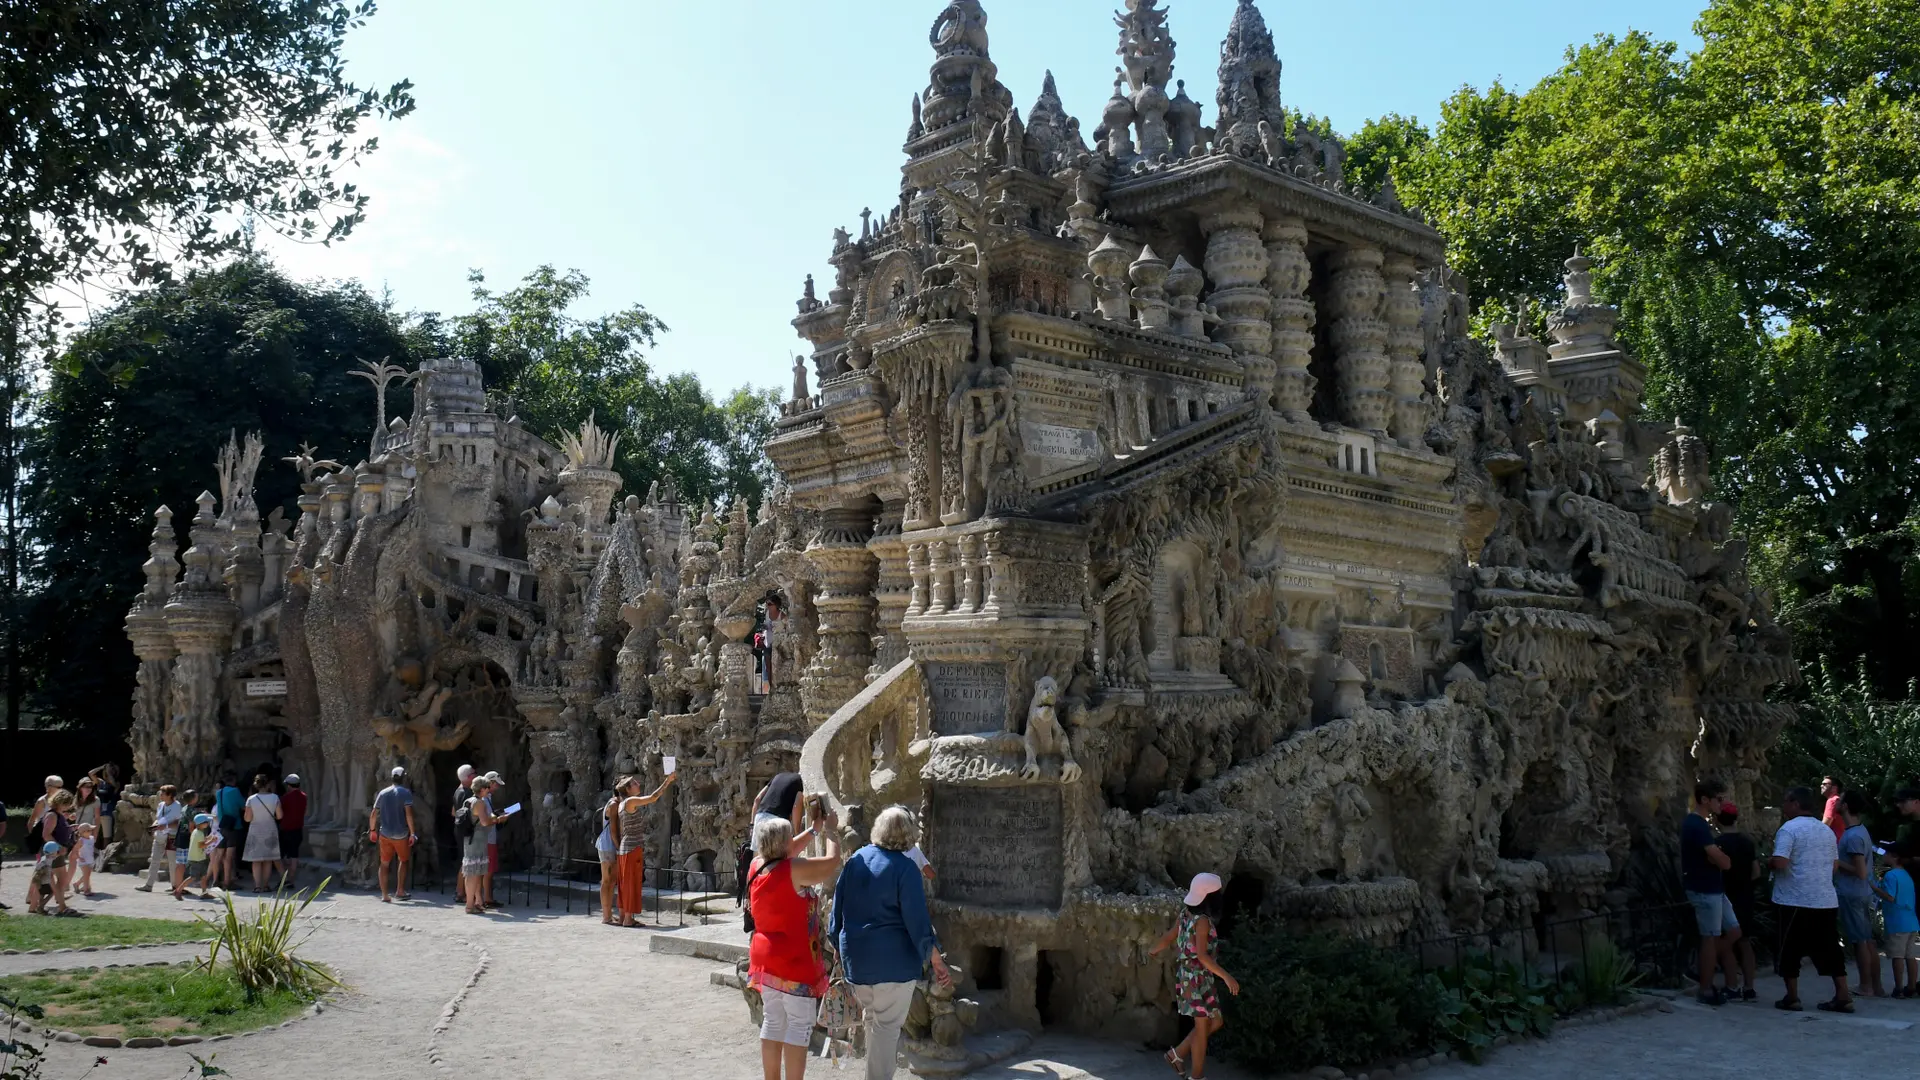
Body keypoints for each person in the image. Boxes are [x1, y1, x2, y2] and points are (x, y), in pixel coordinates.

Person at [830, 806, 952, 1080]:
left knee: (874, 1019)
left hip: (857, 964)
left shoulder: (855, 861)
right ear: (908, 834)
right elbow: (917, 922)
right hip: (892, 965)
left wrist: (838, 949)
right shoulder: (905, 868)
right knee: (886, 1027)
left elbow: (835, 914)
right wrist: (936, 958)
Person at [747, 807, 843, 1080]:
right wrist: (832, 831)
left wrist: (814, 829)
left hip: (765, 957)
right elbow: (830, 862)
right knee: (799, 1026)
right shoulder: (793, 870)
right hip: (793, 958)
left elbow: (786, 849)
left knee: (773, 1020)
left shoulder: (757, 864)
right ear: (783, 843)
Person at [1770, 785, 1853, 1013]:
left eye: (1786, 801)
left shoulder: (1789, 829)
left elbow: (1780, 862)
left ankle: (1793, 997)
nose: (1784, 806)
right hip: (1825, 899)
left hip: (1793, 899)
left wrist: (1767, 862)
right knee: (1829, 948)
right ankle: (1843, 995)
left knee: (1789, 948)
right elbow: (1834, 866)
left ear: (1796, 804)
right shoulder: (1825, 831)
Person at [1151, 873, 1240, 1080]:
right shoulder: (1202, 922)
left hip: (1194, 977)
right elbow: (1202, 956)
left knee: (1215, 1022)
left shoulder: (1184, 914)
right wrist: (1227, 977)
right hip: (1196, 978)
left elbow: (1169, 936)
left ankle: (1178, 1053)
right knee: (1202, 1029)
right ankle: (1197, 1077)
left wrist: (1153, 950)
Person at [1680, 778, 1743, 1005]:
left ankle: (1704, 967)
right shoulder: (1695, 825)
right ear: (1705, 800)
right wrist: (1720, 859)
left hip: (1715, 888)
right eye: (1719, 799)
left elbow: (1719, 859)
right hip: (1704, 889)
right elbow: (1723, 862)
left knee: (1734, 931)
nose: (1722, 804)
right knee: (1710, 937)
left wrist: (1719, 859)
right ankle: (1705, 987)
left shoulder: (1703, 825)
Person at [1833, 790, 1881, 997]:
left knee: (1860, 940)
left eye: (1840, 800)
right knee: (1868, 939)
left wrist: (1835, 862)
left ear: (1845, 806)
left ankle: (1865, 986)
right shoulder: (1860, 831)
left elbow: (1861, 871)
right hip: (1863, 893)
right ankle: (1876, 986)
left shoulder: (1852, 836)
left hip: (1853, 893)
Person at [614, 773, 676, 927]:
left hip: (625, 847)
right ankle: (628, 919)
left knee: (624, 883)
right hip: (632, 848)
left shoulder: (621, 804)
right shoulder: (630, 801)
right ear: (628, 789)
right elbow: (654, 797)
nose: (638, 784)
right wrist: (667, 781)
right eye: (634, 783)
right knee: (631, 882)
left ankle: (623, 916)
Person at [1713, 803, 1760, 1000]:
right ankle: (1749, 987)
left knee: (1727, 941)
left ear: (1717, 819)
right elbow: (1756, 871)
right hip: (1745, 896)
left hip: (1725, 897)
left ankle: (1731, 985)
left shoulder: (1717, 843)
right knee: (1745, 942)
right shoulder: (1748, 842)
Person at [1876, 842, 1918, 998]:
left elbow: (1890, 897)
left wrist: (1874, 887)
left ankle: (1899, 988)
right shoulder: (1906, 875)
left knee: (1897, 956)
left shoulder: (1891, 875)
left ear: (1894, 856)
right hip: (1911, 921)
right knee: (1910, 955)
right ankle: (1912, 987)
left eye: (1886, 852)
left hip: (1897, 922)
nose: (1884, 855)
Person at [371, 767, 418, 903]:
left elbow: (374, 813)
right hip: (401, 834)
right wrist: (413, 833)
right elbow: (408, 814)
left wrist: (372, 830)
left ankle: (385, 895)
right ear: (403, 777)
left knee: (384, 863)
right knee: (403, 860)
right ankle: (400, 890)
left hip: (384, 833)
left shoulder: (383, 793)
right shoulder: (406, 793)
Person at [457, 777, 500, 915]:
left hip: (469, 840)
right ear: (482, 789)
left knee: (472, 873)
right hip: (477, 841)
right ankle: (470, 905)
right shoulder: (480, 803)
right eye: (487, 788)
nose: (489, 790)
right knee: (474, 874)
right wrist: (498, 820)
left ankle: (475, 902)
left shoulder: (468, 801)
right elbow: (485, 822)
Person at [242, 774, 282, 892]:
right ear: (268, 784)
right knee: (268, 860)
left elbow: (247, 819)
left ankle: (257, 885)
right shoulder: (275, 797)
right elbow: (279, 816)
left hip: (255, 829)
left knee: (256, 860)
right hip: (270, 829)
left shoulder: (251, 799)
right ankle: (265, 885)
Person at [137, 785, 182, 892]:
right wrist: (154, 826)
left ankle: (174, 886)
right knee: (154, 860)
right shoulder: (161, 805)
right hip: (160, 835)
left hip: (171, 836)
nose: (160, 795)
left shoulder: (177, 806)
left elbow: (177, 823)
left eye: (163, 793)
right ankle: (149, 885)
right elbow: (159, 819)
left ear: (170, 795)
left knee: (172, 862)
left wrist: (165, 826)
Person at [212, 774, 244, 893]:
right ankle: (227, 882)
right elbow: (243, 805)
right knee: (229, 856)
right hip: (233, 826)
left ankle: (215, 880)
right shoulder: (235, 791)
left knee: (219, 855)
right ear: (234, 780)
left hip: (222, 826)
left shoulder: (219, 792)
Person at [451, 764, 476, 903]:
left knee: (464, 860)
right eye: (473, 773)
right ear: (468, 777)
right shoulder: (466, 793)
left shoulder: (458, 791)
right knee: (465, 861)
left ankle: (461, 891)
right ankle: (460, 891)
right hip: (465, 830)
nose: (475, 775)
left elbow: (453, 812)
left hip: (459, 828)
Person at [597, 787, 621, 924]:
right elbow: (612, 830)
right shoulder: (613, 804)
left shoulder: (619, 803)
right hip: (608, 844)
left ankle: (609, 914)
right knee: (606, 880)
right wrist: (619, 848)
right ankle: (606, 916)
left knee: (612, 881)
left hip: (612, 844)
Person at [279, 774, 308, 883]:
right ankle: (291, 879)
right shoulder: (304, 796)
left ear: (289, 785)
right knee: (294, 855)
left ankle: (284, 878)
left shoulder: (285, 798)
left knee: (282, 855)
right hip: (298, 829)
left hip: (286, 829)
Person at [180, 815, 213, 899]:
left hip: (198, 858)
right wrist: (212, 841)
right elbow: (201, 845)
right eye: (206, 822)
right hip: (197, 859)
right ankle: (178, 890)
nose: (207, 823)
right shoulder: (199, 833)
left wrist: (208, 838)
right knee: (193, 877)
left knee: (203, 876)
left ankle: (204, 892)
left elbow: (201, 840)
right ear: (201, 824)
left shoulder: (196, 832)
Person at [26, 842, 64, 915]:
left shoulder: (44, 858)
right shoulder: (50, 859)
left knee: (38, 893)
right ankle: (40, 906)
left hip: (39, 880)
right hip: (45, 880)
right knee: (53, 892)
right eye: (56, 851)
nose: (57, 852)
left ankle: (33, 908)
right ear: (53, 852)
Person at [89, 765, 119, 845]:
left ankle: (106, 855)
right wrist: (102, 767)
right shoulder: (101, 783)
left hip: (108, 812)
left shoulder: (116, 783)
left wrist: (109, 771)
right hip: (97, 812)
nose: (107, 772)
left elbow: (113, 784)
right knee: (92, 835)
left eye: (111, 771)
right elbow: (90, 773)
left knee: (107, 836)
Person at [71, 822, 96, 898]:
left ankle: (77, 884)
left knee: (87, 875)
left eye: (91, 830)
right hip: (83, 860)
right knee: (86, 875)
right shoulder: (81, 840)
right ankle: (86, 890)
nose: (91, 832)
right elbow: (75, 849)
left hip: (90, 859)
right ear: (83, 832)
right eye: (89, 830)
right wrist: (79, 857)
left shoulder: (91, 838)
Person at [1820, 775, 1846, 842]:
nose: (1821, 786)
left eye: (1824, 784)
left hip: (1833, 843)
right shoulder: (1839, 800)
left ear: (1834, 788)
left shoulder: (1832, 801)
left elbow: (1825, 825)